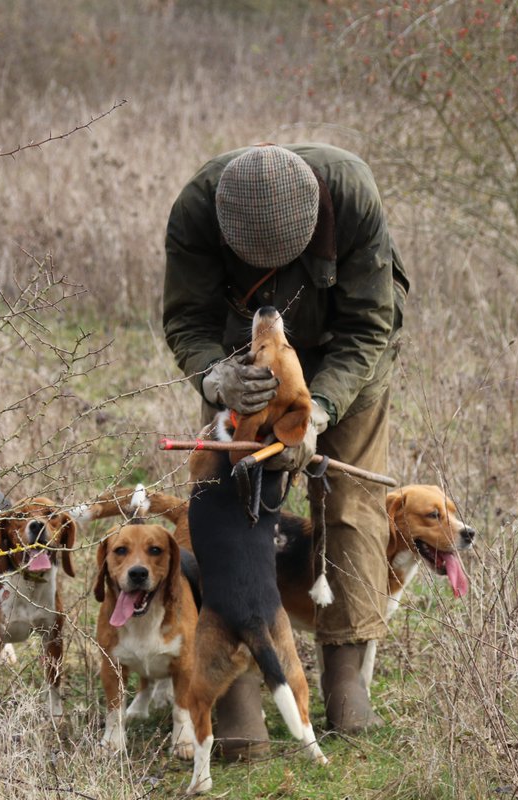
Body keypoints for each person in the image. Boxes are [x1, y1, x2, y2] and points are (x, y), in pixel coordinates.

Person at [162, 143, 409, 756]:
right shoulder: (197, 209)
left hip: (348, 358)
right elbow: (186, 318)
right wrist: (213, 378)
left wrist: (318, 410)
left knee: (351, 504)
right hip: (242, 360)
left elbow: (369, 326)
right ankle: (234, 689)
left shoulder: (351, 196)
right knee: (223, 504)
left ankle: (344, 676)